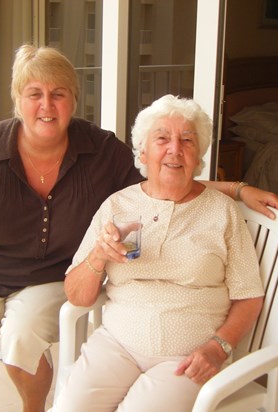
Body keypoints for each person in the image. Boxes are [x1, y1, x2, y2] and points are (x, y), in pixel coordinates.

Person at [0, 44, 278, 412]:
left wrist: (236, 188)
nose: (46, 105)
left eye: (58, 94)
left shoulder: (101, 150)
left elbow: (164, 177)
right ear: (17, 99)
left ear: (74, 99)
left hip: (47, 279)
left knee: (21, 336)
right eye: (34, 94)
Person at [56, 94, 265, 412]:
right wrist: (98, 256)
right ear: (143, 151)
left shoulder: (222, 212)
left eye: (187, 140)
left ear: (199, 156)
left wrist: (219, 347)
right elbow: (77, 296)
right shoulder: (117, 205)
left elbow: (249, 295)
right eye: (162, 138)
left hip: (188, 357)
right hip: (117, 344)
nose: (175, 150)